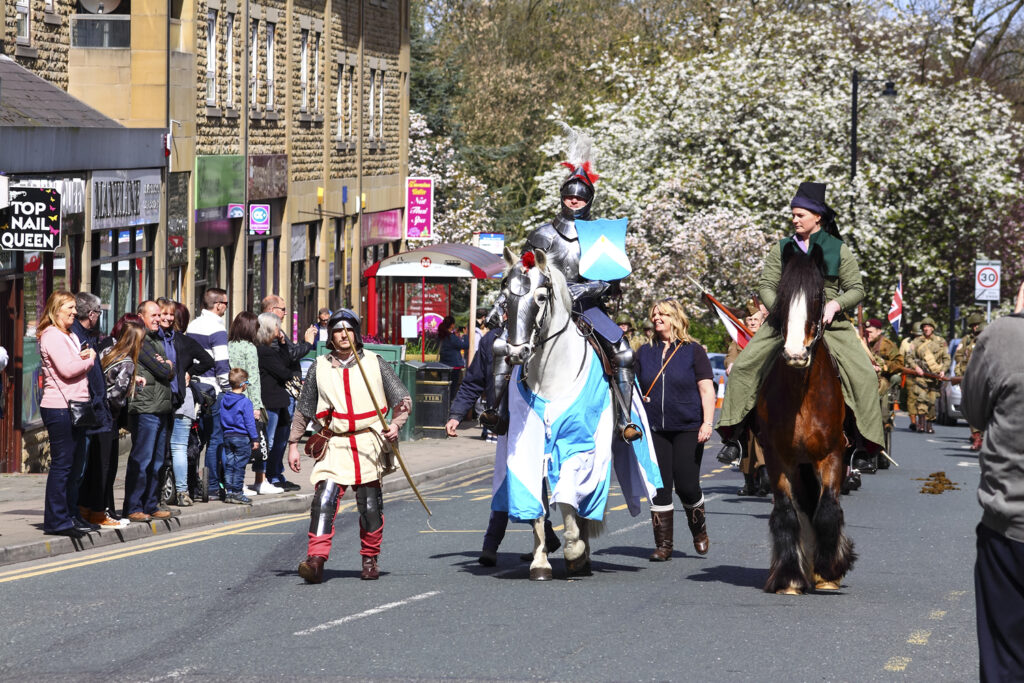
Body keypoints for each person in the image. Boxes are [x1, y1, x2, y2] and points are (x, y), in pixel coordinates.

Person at [715, 182, 885, 463]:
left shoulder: (839, 250)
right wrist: (781, 310)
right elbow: (767, 284)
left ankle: (862, 445)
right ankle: (737, 436)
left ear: (817, 217)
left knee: (864, 376)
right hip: (785, 320)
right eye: (793, 215)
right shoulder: (781, 248)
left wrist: (836, 304)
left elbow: (856, 288)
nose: (794, 220)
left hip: (828, 323)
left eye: (800, 215)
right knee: (744, 367)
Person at [486, 132, 640, 442]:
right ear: (562, 196)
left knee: (622, 352)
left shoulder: (599, 235)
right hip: (543, 304)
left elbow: (613, 280)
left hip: (585, 307)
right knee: (503, 345)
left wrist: (590, 289)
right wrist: (500, 304)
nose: (575, 201)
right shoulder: (543, 234)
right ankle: (496, 409)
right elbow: (521, 273)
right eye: (570, 196)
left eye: (581, 197)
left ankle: (624, 420)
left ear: (589, 199)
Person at [287, 309, 411, 583]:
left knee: (369, 504)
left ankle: (369, 558)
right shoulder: (319, 366)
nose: (343, 335)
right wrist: (293, 443)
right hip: (334, 442)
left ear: (356, 333)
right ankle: (316, 560)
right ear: (330, 336)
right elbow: (303, 410)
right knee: (324, 500)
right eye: (337, 331)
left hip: (369, 441)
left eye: (348, 330)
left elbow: (402, 400)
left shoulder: (375, 363)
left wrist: (395, 425)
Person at [444, 321, 559, 566]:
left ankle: (499, 544)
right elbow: (474, 380)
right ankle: (533, 538)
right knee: (506, 482)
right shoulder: (491, 340)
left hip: (533, 422)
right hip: (505, 425)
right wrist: (456, 414)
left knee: (524, 481)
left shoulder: (542, 336)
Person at [961, 283, 1024, 682]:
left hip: (1011, 525)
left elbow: (973, 410)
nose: (799, 217)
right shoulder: (790, 252)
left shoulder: (1002, 334)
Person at [635, 298, 716, 560]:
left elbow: (706, 389)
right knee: (659, 486)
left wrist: (707, 422)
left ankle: (699, 531)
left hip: (688, 426)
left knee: (687, 485)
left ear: (675, 318)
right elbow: (634, 387)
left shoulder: (693, 350)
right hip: (654, 427)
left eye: (663, 314)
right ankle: (664, 546)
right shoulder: (644, 351)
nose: (657, 317)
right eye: (655, 314)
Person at [38, 291, 98, 538]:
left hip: (76, 405)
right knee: (63, 466)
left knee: (74, 467)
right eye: (69, 308)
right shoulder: (52, 335)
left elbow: (74, 361)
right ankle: (56, 521)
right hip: (59, 407)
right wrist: (90, 359)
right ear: (56, 310)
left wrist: (81, 356)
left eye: (75, 308)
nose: (74, 312)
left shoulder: (70, 334)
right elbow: (68, 368)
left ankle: (67, 516)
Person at [123, 301, 177, 523]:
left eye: (159, 315)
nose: (158, 318)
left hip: (161, 406)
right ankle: (133, 506)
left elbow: (169, 368)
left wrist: (168, 366)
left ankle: (150, 503)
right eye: (153, 315)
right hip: (146, 409)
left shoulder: (156, 339)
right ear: (140, 316)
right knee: (142, 459)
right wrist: (167, 365)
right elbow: (164, 369)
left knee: (157, 461)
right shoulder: (141, 340)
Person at [92, 320, 148, 527]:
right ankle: (104, 510)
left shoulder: (108, 352)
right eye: (141, 341)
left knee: (98, 464)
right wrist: (117, 413)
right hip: (108, 418)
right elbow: (116, 395)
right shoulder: (128, 362)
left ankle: (98, 508)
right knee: (108, 466)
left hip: (95, 414)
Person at [165, 302, 214, 506]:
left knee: (166, 447)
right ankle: (183, 492)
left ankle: (164, 490)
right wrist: (189, 372)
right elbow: (208, 361)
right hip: (184, 399)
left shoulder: (168, 342)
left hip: (166, 398)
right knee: (179, 447)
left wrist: (188, 372)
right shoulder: (187, 342)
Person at [71, 292, 113, 530]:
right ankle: (73, 512)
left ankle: (78, 512)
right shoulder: (77, 336)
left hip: (92, 408)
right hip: (84, 409)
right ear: (92, 314)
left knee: (84, 467)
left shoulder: (85, 335)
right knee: (78, 468)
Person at [187, 288, 231, 500]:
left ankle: (192, 483)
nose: (225, 308)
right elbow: (222, 365)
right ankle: (212, 486)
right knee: (215, 439)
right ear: (219, 305)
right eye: (226, 304)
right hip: (213, 390)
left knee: (197, 440)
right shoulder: (218, 330)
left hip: (195, 389)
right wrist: (229, 391)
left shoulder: (192, 325)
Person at [228, 311, 279, 495]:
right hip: (247, 401)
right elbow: (253, 379)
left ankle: (232, 483)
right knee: (255, 443)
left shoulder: (229, 345)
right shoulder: (250, 348)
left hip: (230, 399)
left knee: (232, 444)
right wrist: (256, 406)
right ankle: (251, 483)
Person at [722, 305, 770, 496]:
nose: (752, 322)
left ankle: (767, 474)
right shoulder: (739, 340)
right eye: (749, 320)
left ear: (762, 321)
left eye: (755, 320)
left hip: (766, 393)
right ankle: (751, 481)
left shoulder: (770, 338)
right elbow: (730, 357)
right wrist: (732, 364)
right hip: (745, 394)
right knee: (746, 437)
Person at [256, 312, 296, 492]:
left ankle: (273, 475)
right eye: (278, 327)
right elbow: (285, 372)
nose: (280, 331)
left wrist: (282, 344)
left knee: (280, 440)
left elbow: (285, 363)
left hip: (279, 402)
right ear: (269, 330)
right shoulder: (263, 352)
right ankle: (262, 479)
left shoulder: (269, 350)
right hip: (270, 401)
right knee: (268, 442)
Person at [220, 367, 261, 504]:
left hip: (227, 436)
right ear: (243, 384)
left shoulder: (224, 399)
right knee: (239, 466)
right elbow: (250, 423)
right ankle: (237, 492)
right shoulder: (245, 402)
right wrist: (255, 438)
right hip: (242, 437)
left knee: (230, 464)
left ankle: (229, 492)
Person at [907, 316, 949, 434]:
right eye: (924, 327)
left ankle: (929, 425)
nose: (926, 329)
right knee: (921, 399)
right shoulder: (916, 342)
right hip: (921, 376)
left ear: (933, 328)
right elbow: (909, 357)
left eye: (929, 326)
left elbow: (946, 358)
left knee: (931, 401)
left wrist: (943, 370)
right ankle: (921, 424)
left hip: (934, 377)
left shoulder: (941, 342)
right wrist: (916, 367)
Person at [955, 312, 986, 451]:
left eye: (978, 326)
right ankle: (977, 437)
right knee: (970, 408)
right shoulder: (968, 341)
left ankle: (984, 438)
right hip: (970, 379)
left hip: (986, 381)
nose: (976, 329)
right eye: (974, 326)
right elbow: (959, 358)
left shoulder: (993, 344)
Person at [899, 321, 924, 430]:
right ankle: (913, 422)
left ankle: (922, 421)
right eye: (916, 335)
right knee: (911, 398)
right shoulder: (906, 342)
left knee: (923, 398)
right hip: (910, 373)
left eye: (920, 335)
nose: (918, 337)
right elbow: (900, 358)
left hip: (924, 374)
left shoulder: (928, 342)